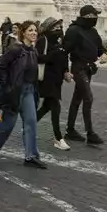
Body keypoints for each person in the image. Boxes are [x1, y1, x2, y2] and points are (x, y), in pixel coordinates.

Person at [0, 21, 45, 168]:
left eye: (35, 30)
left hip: (28, 91)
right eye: (30, 30)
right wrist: (6, 86)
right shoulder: (16, 49)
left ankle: (31, 156)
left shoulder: (34, 51)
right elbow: (1, 66)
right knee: (7, 124)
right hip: (15, 91)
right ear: (24, 32)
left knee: (31, 121)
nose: (34, 33)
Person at [62, 5, 107, 144]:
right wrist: (65, 70)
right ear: (87, 17)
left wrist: (104, 54)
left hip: (89, 68)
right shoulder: (73, 30)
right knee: (88, 98)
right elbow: (64, 51)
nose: (96, 18)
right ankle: (90, 133)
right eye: (94, 16)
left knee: (78, 98)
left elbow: (100, 48)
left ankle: (70, 130)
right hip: (78, 67)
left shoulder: (93, 31)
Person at [35, 18, 75, 150]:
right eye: (55, 27)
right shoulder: (43, 41)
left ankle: (29, 124)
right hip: (46, 79)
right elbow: (38, 58)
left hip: (57, 79)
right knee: (55, 106)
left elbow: (63, 59)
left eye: (60, 26)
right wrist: (53, 54)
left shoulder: (60, 42)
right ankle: (58, 138)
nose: (59, 29)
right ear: (48, 28)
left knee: (46, 107)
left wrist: (66, 72)